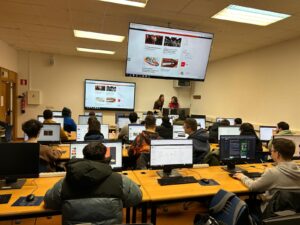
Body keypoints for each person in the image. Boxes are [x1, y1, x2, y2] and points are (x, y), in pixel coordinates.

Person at [44, 142, 142, 225]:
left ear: (83, 157)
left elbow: (49, 202)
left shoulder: (65, 182)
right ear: (105, 158)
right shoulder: (120, 180)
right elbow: (137, 197)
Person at [233, 138, 300, 220]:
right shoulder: (297, 170)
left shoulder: (272, 173)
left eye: (272, 151)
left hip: (270, 213)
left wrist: (242, 176)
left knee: (246, 202)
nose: (271, 153)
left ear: (277, 154)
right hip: (294, 214)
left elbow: (253, 186)